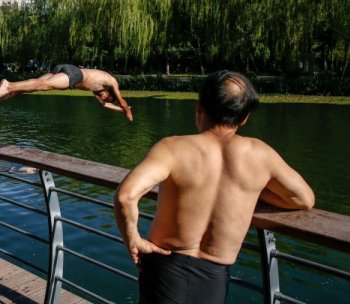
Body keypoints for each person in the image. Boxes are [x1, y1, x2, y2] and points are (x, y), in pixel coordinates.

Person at [114, 70, 314, 304]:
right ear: (245, 117)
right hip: (214, 276)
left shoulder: (172, 148)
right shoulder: (261, 155)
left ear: (199, 107)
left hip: (164, 267)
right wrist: (253, 190)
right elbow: (303, 199)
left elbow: (125, 196)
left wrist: (133, 240)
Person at [0, 64, 133, 121]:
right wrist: (126, 111)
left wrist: (120, 110)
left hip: (64, 69)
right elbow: (122, 100)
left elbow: (105, 106)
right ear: (109, 92)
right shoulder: (111, 81)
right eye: (106, 97)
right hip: (74, 74)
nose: (103, 98)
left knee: (31, 88)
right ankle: (8, 84)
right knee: (44, 85)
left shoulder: (97, 90)